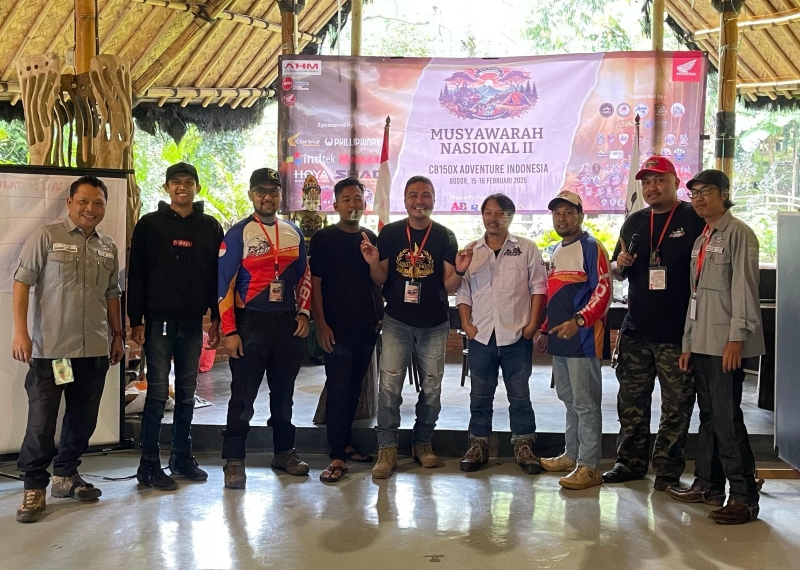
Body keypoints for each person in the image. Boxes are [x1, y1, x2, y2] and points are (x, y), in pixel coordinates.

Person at [12, 176, 124, 523]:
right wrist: (21, 334)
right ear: (70, 203)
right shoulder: (46, 236)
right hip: (53, 350)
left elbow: (112, 294)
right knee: (42, 422)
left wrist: (117, 335)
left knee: (82, 419)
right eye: (84, 201)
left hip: (94, 349)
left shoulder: (108, 246)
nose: (91, 209)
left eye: (98, 203)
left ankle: (65, 476)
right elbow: (22, 283)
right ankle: (34, 486)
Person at [667, 169, 765, 525]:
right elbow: (695, 297)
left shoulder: (739, 233)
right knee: (708, 417)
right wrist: (688, 343)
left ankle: (744, 496)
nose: (698, 198)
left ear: (724, 193)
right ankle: (708, 485)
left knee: (726, 419)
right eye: (693, 193)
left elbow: (744, 290)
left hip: (726, 343)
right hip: (703, 342)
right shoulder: (702, 238)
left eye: (706, 191)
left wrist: (736, 339)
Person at [603, 157, 705, 490]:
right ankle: (630, 463)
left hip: (677, 333)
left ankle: (667, 470)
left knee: (676, 406)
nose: (652, 187)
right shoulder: (634, 221)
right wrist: (620, 263)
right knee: (631, 402)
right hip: (637, 331)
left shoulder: (693, 218)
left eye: (659, 180)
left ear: (676, 181)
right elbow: (618, 272)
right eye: (646, 182)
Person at [360, 175, 472, 479]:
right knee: (389, 386)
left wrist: (461, 270)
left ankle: (422, 441)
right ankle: (387, 447)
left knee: (432, 387)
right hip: (397, 320)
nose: (419, 201)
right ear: (405, 200)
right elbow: (381, 278)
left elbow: (449, 285)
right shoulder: (391, 233)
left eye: (425, 195)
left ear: (433, 200)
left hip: (434, 322)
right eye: (413, 195)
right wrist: (372, 262)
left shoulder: (445, 236)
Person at [127, 162, 224, 490]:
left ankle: (181, 456)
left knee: (186, 395)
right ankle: (149, 464)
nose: (182, 187)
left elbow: (217, 276)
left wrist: (217, 318)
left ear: (197, 187)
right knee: (156, 396)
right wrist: (136, 320)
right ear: (167, 187)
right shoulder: (149, 225)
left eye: (189, 182)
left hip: (193, 325)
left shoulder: (209, 227)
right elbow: (137, 274)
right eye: (176, 182)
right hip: (158, 325)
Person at [218, 168, 312, 488]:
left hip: (287, 324)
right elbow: (223, 285)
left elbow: (304, 276)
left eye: (273, 191)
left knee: (283, 395)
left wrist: (304, 314)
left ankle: (284, 452)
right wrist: (230, 332)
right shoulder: (238, 233)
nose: (267, 197)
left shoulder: (293, 232)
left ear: (280, 195)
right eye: (261, 191)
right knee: (243, 397)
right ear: (251, 195)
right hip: (251, 323)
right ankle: (234, 460)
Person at [456, 194, 547, 473]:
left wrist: (532, 325)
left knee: (519, 395)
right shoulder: (471, 251)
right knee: (480, 396)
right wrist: (467, 325)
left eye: (500, 213)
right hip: (482, 335)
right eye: (489, 212)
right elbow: (463, 292)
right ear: (482, 215)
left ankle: (524, 446)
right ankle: (478, 445)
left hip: (516, 335)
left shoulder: (526, 248)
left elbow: (539, 288)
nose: (494, 219)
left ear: (510, 216)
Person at [536, 190, 611, 490]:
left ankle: (590, 466)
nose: (562, 218)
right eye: (557, 213)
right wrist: (545, 329)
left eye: (568, 212)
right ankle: (572, 455)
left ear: (580, 215)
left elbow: (603, 290)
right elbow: (554, 297)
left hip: (583, 340)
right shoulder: (556, 249)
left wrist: (580, 320)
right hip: (560, 341)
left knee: (586, 404)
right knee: (569, 400)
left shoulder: (592, 247)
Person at [310, 178, 382, 483]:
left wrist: (378, 315)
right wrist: (321, 324)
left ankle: (347, 444)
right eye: (347, 199)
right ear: (336, 204)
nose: (353, 204)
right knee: (338, 389)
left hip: (366, 327)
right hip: (335, 328)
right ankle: (336, 454)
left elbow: (377, 281)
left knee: (354, 388)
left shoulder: (371, 238)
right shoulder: (324, 238)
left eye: (358, 199)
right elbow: (315, 285)